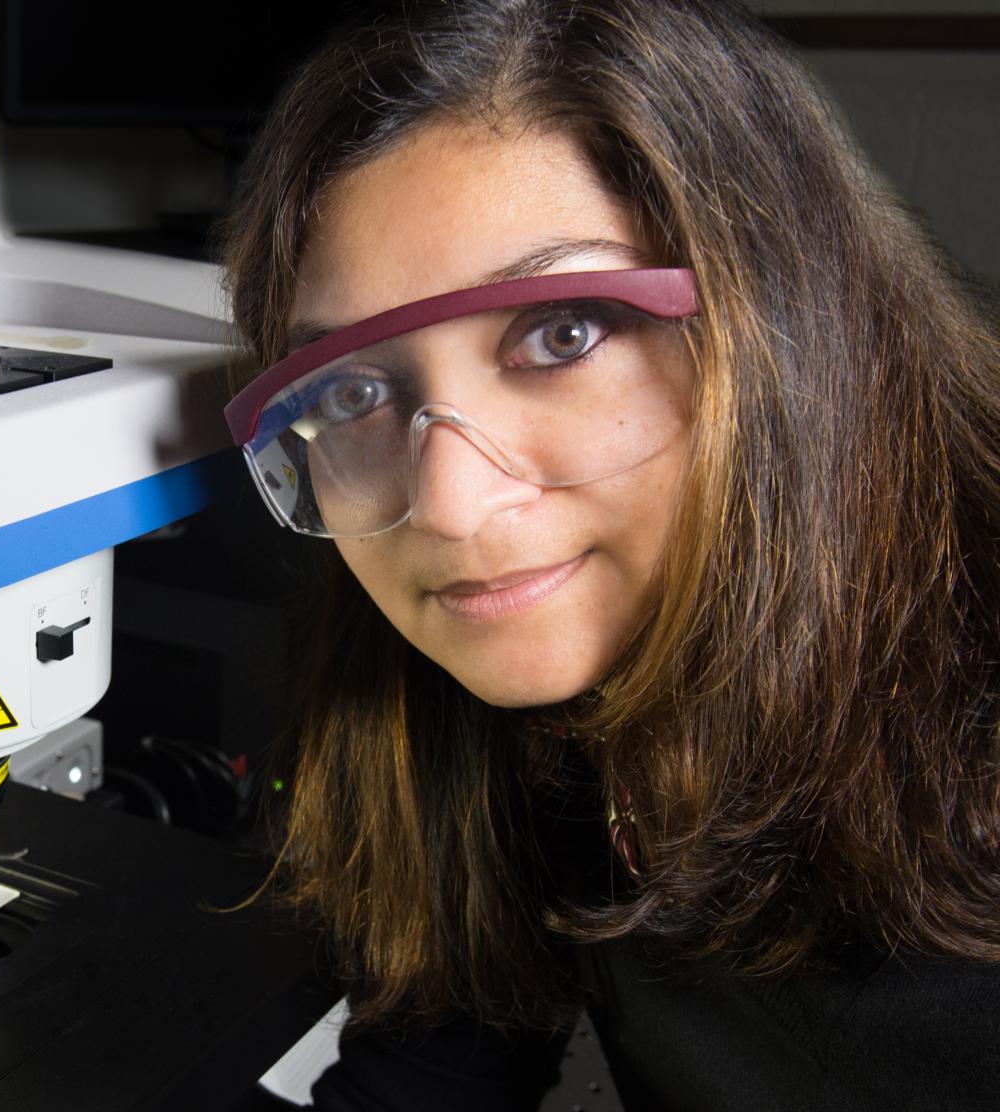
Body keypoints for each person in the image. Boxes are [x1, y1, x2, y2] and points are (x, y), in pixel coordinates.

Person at [217, 1, 1000, 1109]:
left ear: (786, 324)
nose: (450, 505)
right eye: (352, 393)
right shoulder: (510, 701)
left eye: (563, 334)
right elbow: (434, 1071)